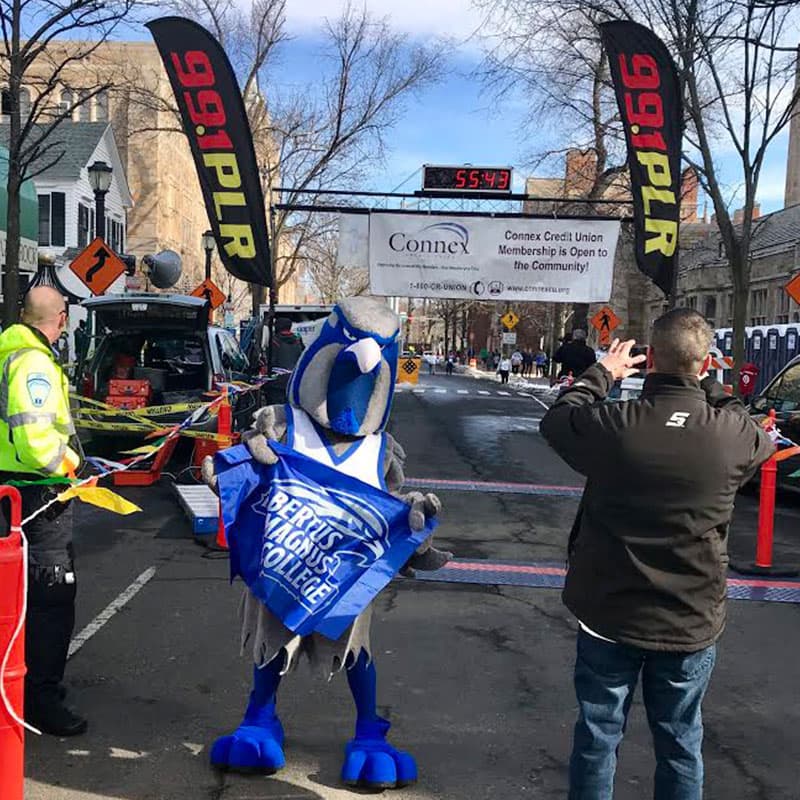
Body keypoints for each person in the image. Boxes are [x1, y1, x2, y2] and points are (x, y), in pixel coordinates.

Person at [540, 309, 774, 800]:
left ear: (649, 361)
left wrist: (604, 371)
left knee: (598, 737)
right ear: (706, 364)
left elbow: (559, 418)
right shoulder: (731, 436)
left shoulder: (615, 425)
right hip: (690, 616)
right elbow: (744, 420)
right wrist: (708, 385)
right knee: (681, 741)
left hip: (608, 611)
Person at [0, 286, 86, 736]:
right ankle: (41, 700)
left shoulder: (10, 353)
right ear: (61, 317)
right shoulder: (33, 362)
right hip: (38, 494)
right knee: (52, 598)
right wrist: (72, 465)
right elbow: (35, 440)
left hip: (11, 491)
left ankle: (18, 686)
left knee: (15, 596)